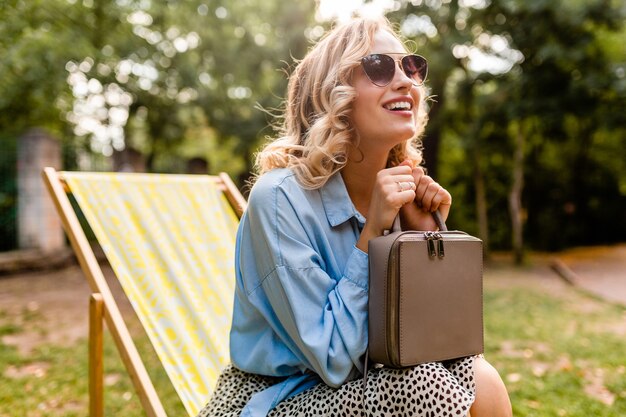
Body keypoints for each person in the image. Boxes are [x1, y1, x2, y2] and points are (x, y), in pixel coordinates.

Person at [198, 16, 512, 417]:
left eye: (410, 66)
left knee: (481, 378)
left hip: (363, 383)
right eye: (380, 67)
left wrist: (426, 239)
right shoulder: (278, 200)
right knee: (421, 388)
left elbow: (443, 341)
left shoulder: (401, 194)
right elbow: (333, 360)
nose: (405, 81)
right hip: (274, 399)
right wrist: (374, 233)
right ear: (332, 95)